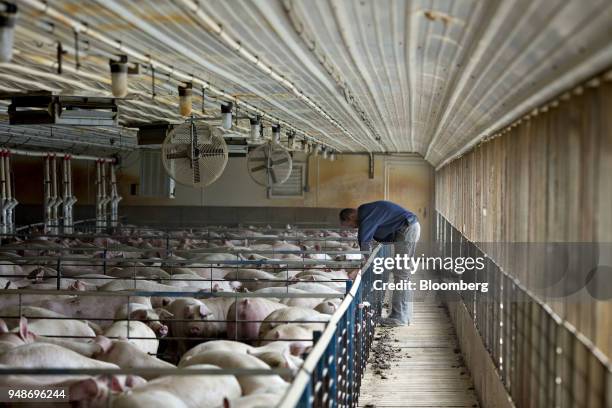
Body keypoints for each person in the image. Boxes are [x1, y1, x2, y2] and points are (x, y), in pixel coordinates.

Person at [339, 200, 420, 327]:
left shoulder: (365, 212)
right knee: (403, 275)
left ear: (351, 216)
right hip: (407, 229)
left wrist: (363, 265)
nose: (353, 228)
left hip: (406, 230)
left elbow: (364, 238)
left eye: (350, 225)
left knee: (401, 274)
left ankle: (399, 317)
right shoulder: (369, 212)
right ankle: (405, 315)